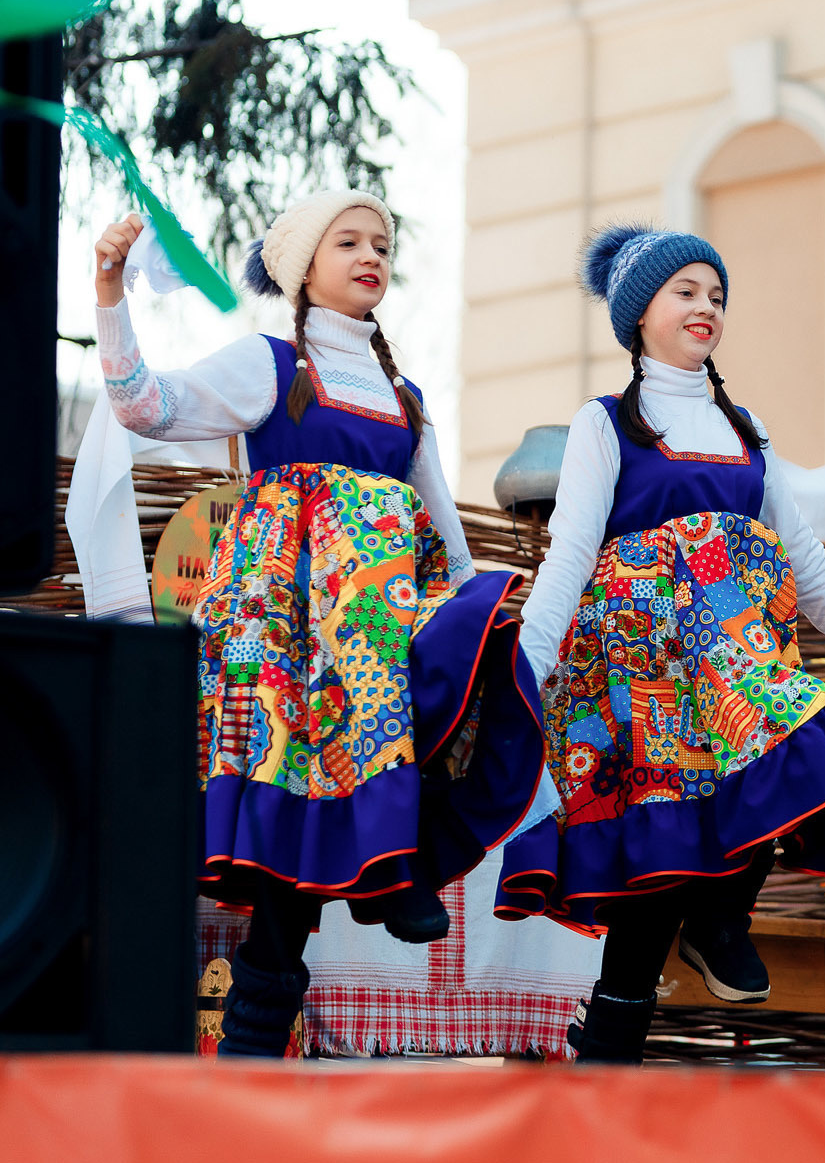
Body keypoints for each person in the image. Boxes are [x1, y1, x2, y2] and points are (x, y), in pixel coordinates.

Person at [90, 193, 545, 1056]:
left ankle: (390, 859)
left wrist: (464, 606)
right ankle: (382, 872)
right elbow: (145, 407)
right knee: (302, 791)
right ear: (305, 265)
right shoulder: (269, 365)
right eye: (350, 240)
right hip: (287, 624)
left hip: (374, 618)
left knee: (433, 678)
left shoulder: (405, 396)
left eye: (383, 241)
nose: (372, 253)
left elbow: (442, 529)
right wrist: (111, 291)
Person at [496, 225, 825, 1063]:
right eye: (686, 290)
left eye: (717, 295)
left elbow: (801, 552)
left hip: (734, 663)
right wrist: (524, 672)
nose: (706, 307)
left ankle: (722, 914)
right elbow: (572, 551)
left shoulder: (744, 425)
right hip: (642, 675)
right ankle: (611, 1047)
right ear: (638, 313)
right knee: (659, 859)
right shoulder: (606, 423)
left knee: (809, 734)